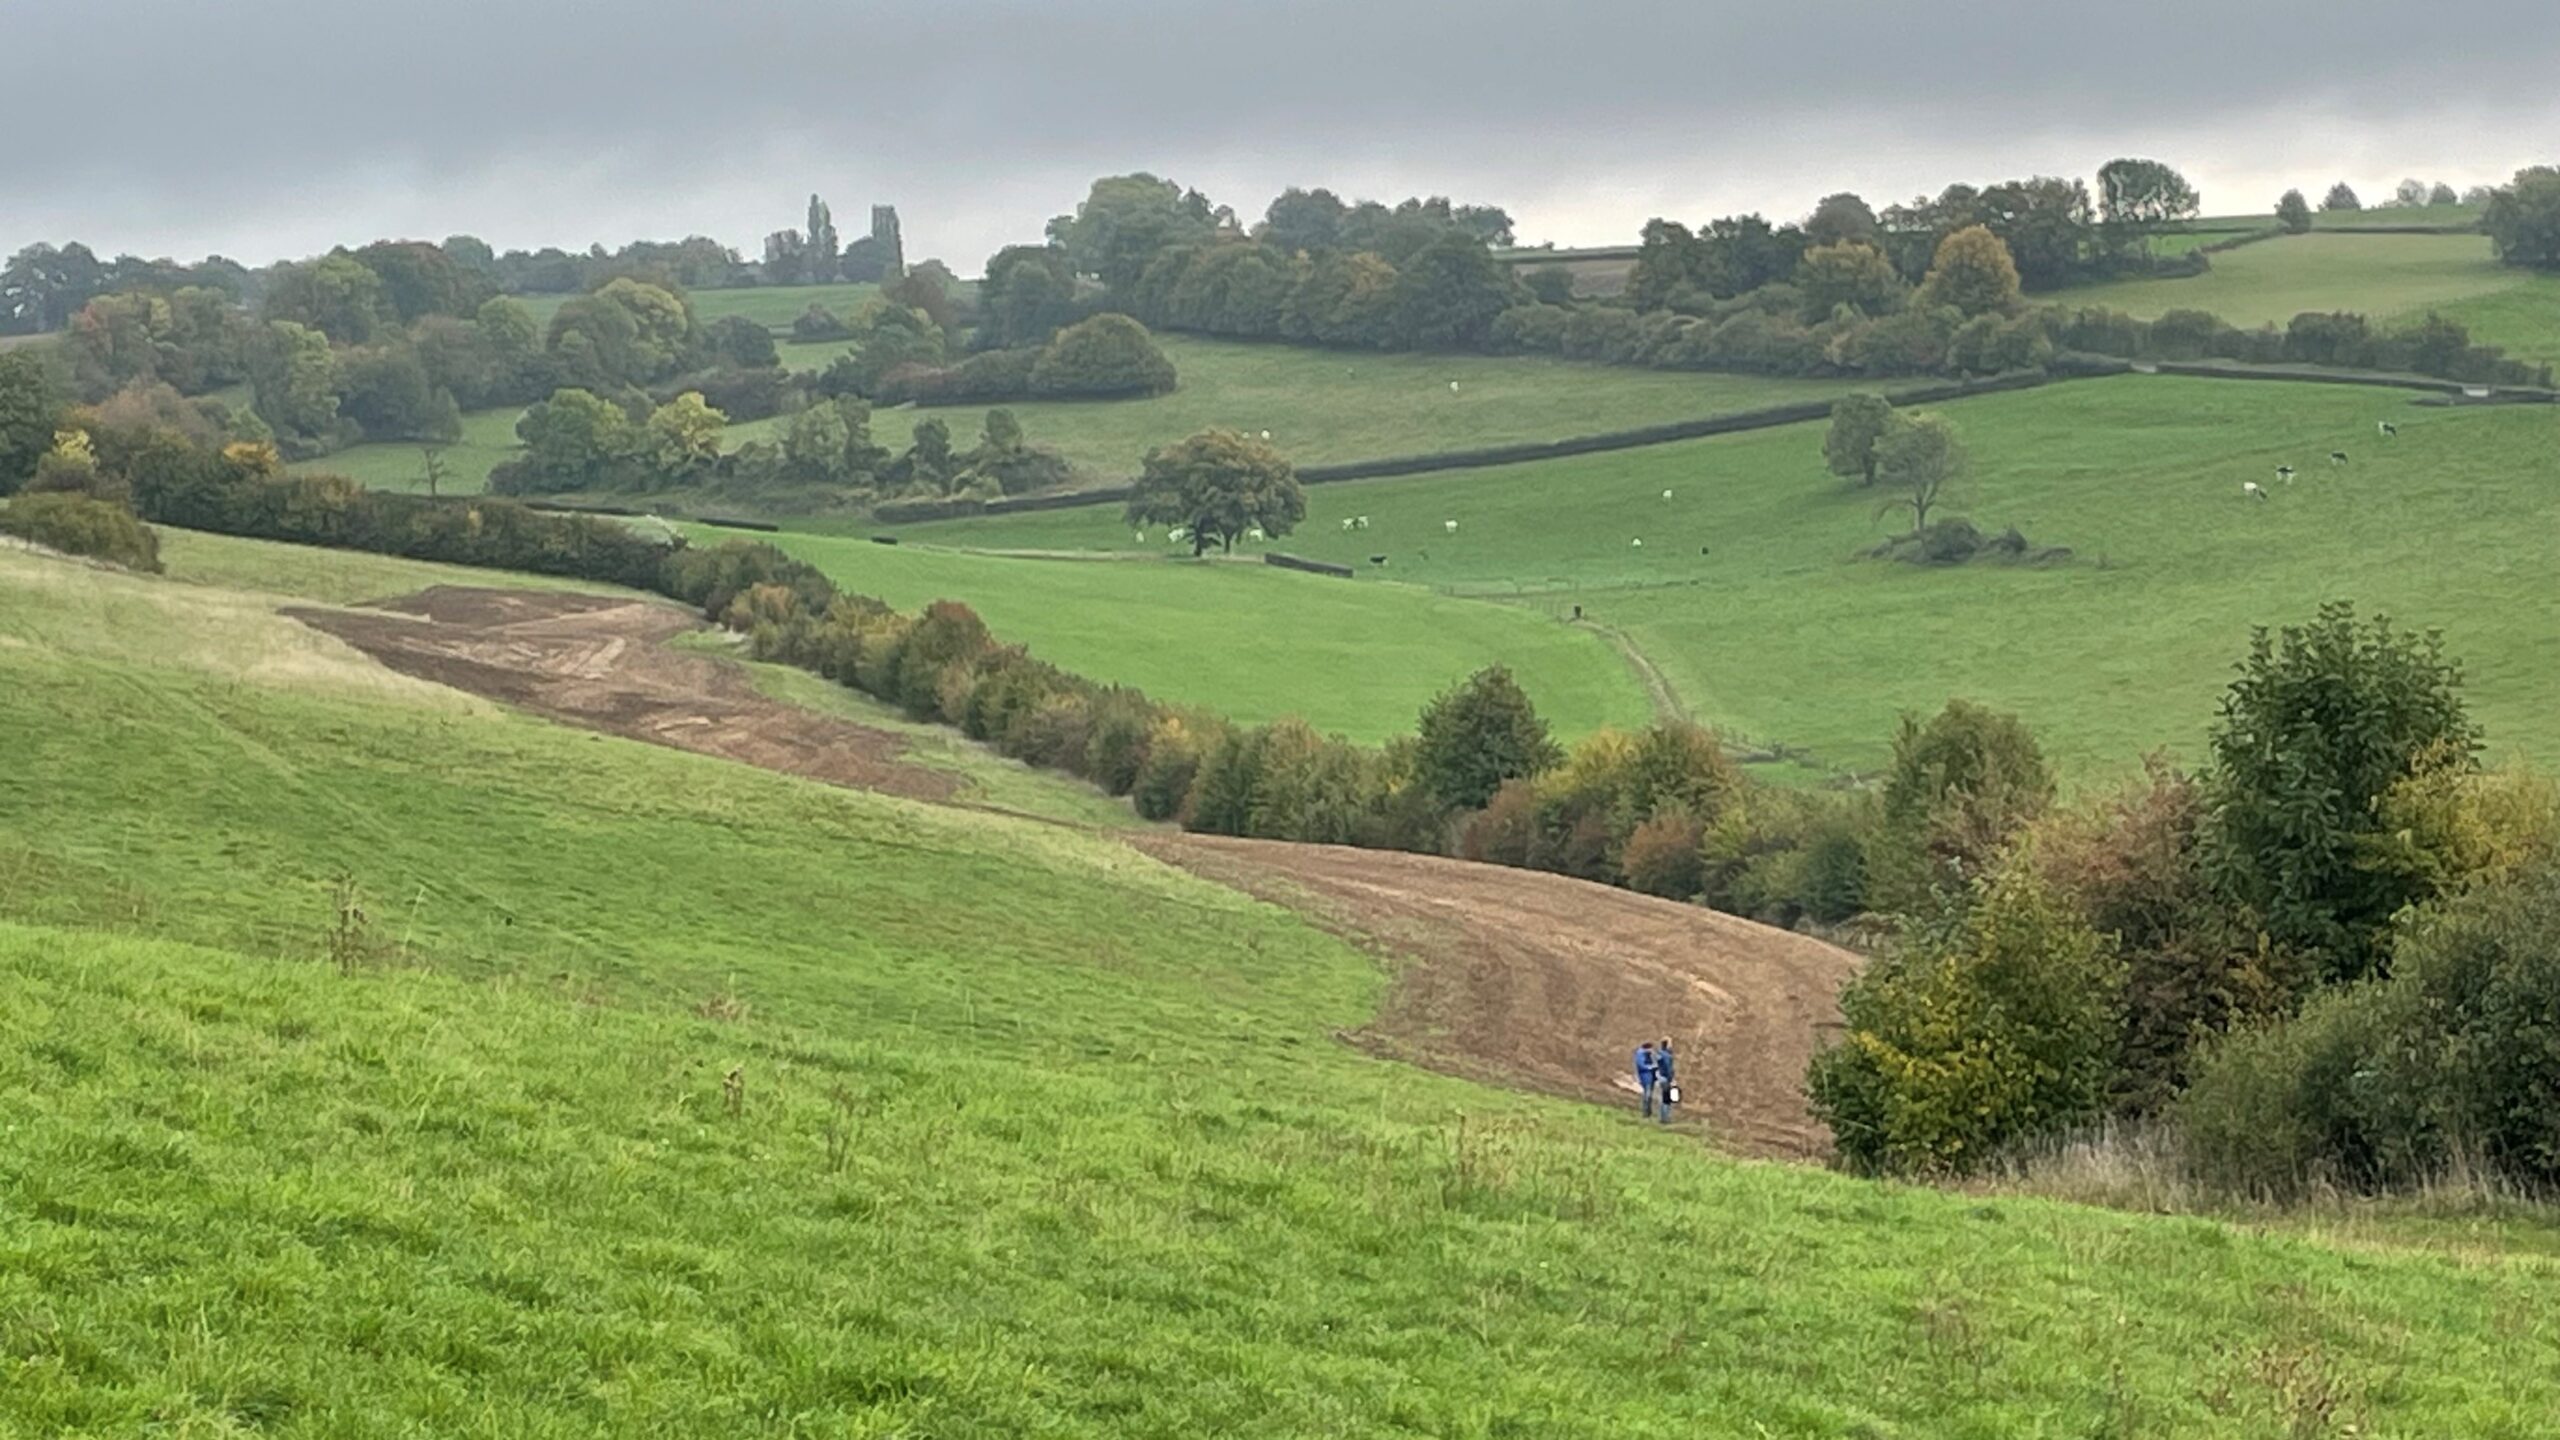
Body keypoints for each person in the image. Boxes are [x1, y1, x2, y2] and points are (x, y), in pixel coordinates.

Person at [1655, 1038, 1678, 1125]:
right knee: (1667, 1099)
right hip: (1665, 1078)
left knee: (1662, 1098)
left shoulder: (1660, 1054)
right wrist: (1671, 1079)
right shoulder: (1667, 1056)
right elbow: (1669, 1068)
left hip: (1660, 1077)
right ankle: (1665, 1118)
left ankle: (1662, 1117)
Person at [1633, 1041, 1658, 1119]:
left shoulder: (1646, 1054)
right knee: (1647, 1094)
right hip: (1645, 1077)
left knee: (1649, 1094)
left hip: (1649, 1077)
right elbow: (1641, 1066)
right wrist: (1651, 1067)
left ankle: (1648, 1112)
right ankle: (1645, 1112)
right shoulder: (1640, 1054)